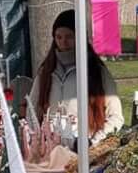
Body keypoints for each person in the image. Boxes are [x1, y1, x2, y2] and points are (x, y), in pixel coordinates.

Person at [32, 8, 123, 137]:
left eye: (69, 36)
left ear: (79, 37)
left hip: (84, 147)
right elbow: (32, 109)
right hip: (51, 147)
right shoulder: (45, 72)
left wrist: (93, 141)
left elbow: (116, 116)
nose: (63, 42)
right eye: (59, 37)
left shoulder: (96, 72)